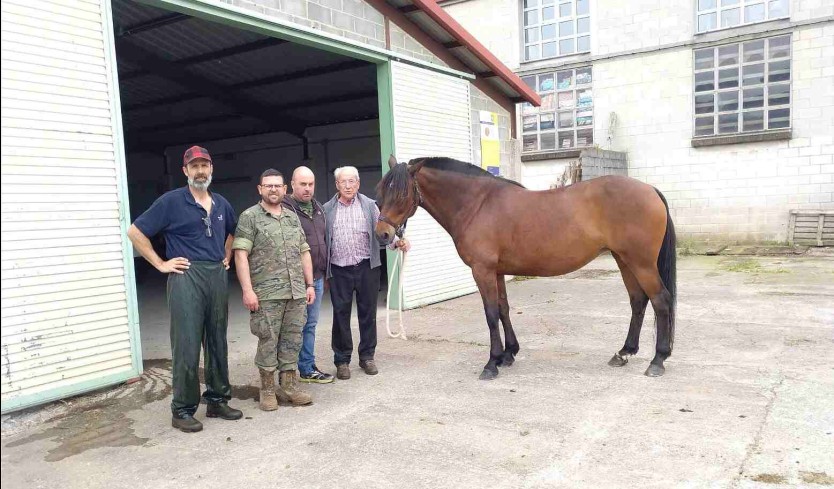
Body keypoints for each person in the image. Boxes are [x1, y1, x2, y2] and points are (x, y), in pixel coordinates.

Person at [127, 145, 242, 433]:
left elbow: (233, 230)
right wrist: (160, 263)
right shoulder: (171, 202)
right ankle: (182, 408)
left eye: (205, 166)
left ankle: (217, 400)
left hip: (215, 275)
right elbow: (135, 231)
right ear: (185, 171)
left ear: (212, 169)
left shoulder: (221, 204)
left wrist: (226, 255)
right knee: (187, 343)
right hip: (186, 276)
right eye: (194, 166)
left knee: (217, 339)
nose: (200, 171)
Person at [233, 169, 316, 411]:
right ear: (260, 189)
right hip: (266, 295)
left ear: (284, 189)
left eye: (277, 186)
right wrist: (247, 290)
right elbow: (240, 255)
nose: (273, 189)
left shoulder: (292, 217)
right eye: (268, 186)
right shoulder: (250, 217)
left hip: (296, 292)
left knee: (292, 340)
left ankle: (289, 386)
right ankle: (267, 390)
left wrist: (309, 285)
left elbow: (304, 251)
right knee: (268, 341)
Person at [323, 166, 410, 380]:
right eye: (343, 182)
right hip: (338, 269)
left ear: (358, 184)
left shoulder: (370, 206)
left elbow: (383, 234)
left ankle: (367, 356)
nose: (348, 185)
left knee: (368, 314)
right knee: (340, 315)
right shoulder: (326, 209)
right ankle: (342, 360)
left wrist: (398, 243)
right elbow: (322, 241)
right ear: (337, 185)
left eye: (352, 181)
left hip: (366, 267)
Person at [281, 166, 334, 384]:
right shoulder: (284, 208)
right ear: (292, 184)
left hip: (317, 278)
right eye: (302, 184)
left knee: (310, 324)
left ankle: (306, 367)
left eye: (311, 184)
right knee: (291, 326)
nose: (307, 188)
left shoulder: (318, 208)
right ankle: (287, 370)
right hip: (292, 279)